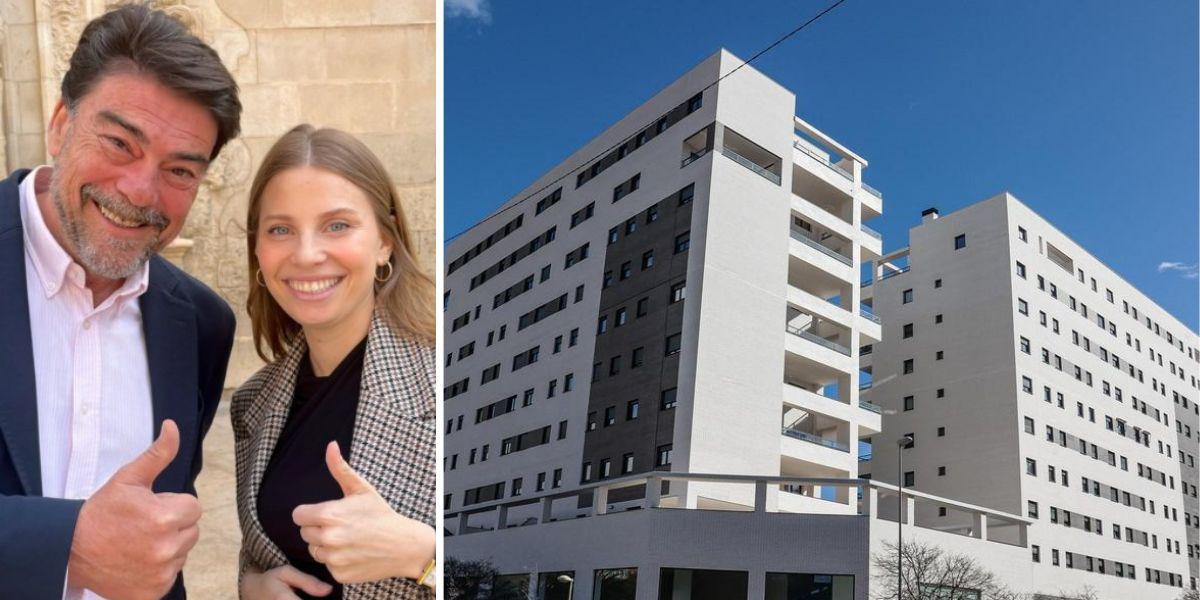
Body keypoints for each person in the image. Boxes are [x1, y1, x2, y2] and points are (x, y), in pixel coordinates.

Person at [0, 4, 241, 600]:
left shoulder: (203, 324)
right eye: (119, 142)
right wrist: (63, 544)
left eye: (180, 170)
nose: (140, 191)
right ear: (61, 125)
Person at [232, 124, 437, 600]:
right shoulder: (252, 404)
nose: (306, 255)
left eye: (337, 225)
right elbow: (259, 550)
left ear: (384, 242)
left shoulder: (441, 380)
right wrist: (250, 587)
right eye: (280, 229)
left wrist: (423, 556)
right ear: (259, 252)